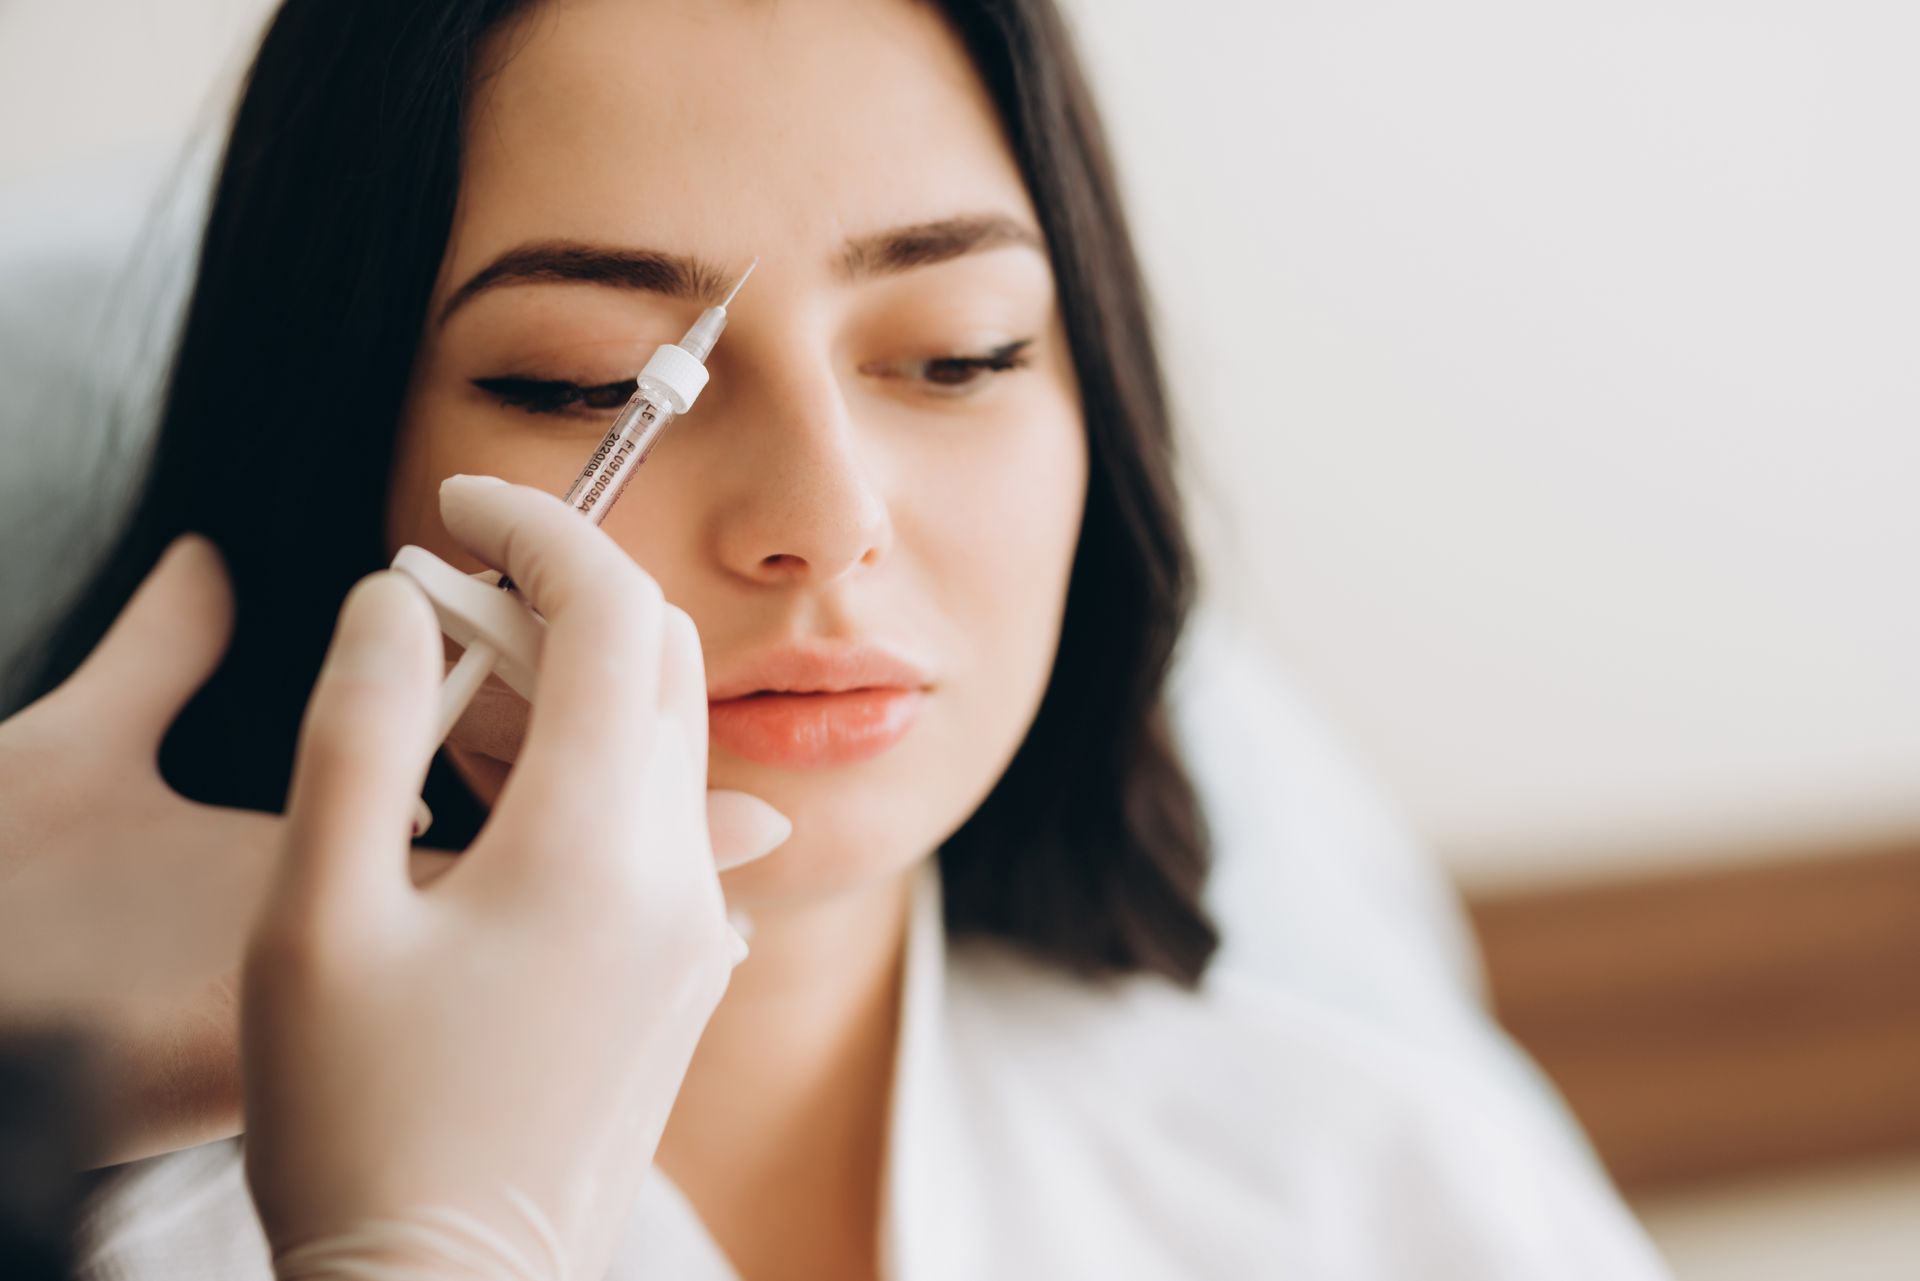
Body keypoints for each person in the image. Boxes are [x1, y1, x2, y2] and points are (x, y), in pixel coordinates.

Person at [10, 0, 1673, 1276]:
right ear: (334, 450)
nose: (823, 515)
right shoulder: (90, 1221)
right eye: (589, 384)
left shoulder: (1371, 1191)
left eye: (959, 355)